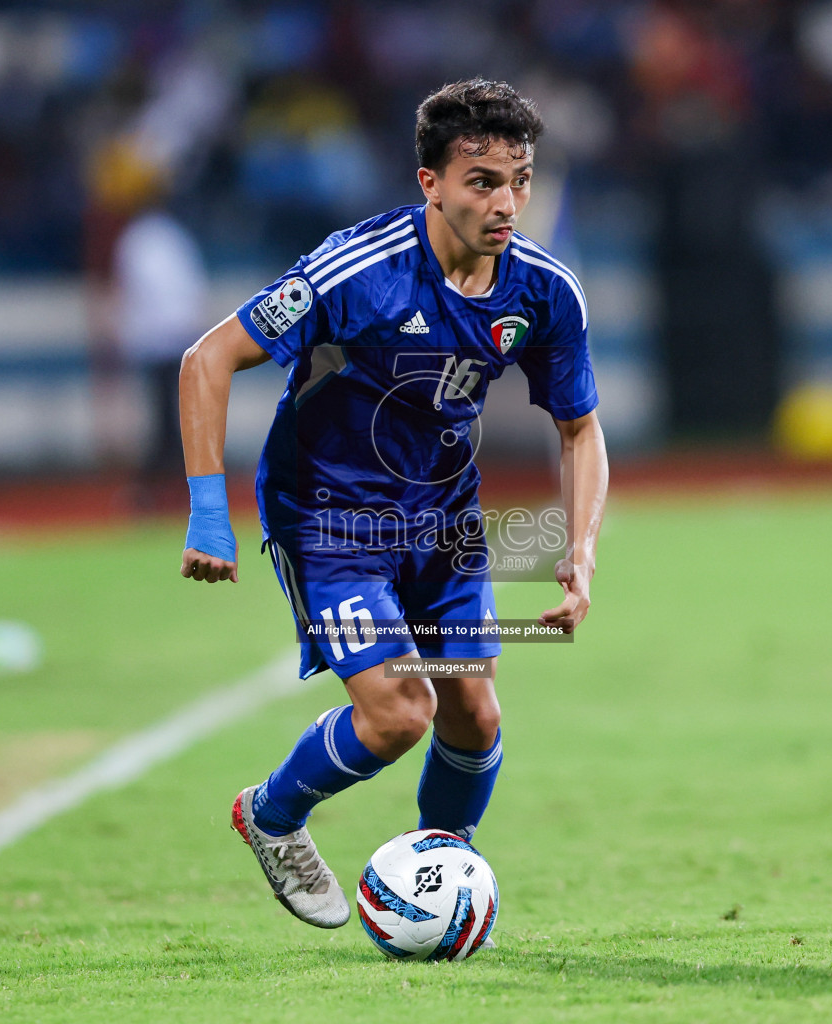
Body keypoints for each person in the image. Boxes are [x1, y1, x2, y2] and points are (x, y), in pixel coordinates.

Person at [177, 79, 609, 930]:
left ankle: (435, 882)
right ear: (431, 183)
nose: (507, 202)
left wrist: (580, 547)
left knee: (475, 715)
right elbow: (207, 359)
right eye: (483, 181)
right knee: (401, 711)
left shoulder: (544, 291)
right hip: (329, 518)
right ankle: (271, 814)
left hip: (443, 523)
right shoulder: (359, 270)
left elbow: (579, 431)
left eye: (520, 179)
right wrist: (207, 512)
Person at [112, 186, 208, 509]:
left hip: (160, 342)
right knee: (173, 421)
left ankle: (155, 491)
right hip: (175, 340)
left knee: (167, 421)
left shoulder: (138, 239)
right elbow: (188, 288)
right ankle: (169, 490)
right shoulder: (170, 237)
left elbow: (137, 293)